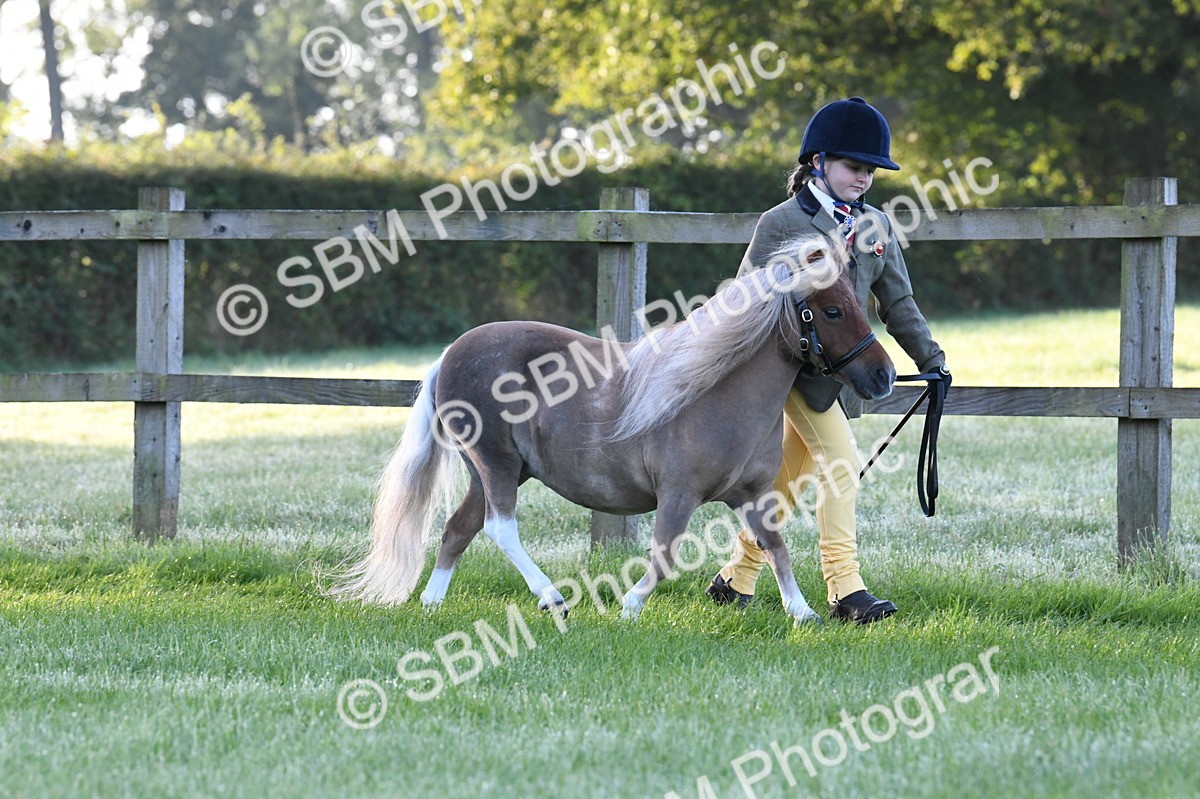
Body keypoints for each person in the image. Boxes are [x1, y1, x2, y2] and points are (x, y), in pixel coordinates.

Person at [705, 96, 948, 623]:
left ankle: (736, 577)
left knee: (789, 476)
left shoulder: (875, 227)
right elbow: (744, 301)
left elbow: (897, 302)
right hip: (789, 375)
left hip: (840, 375)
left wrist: (932, 359)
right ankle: (846, 588)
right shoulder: (781, 222)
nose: (863, 178)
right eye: (853, 167)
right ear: (818, 162)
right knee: (842, 463)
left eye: (870, 171)